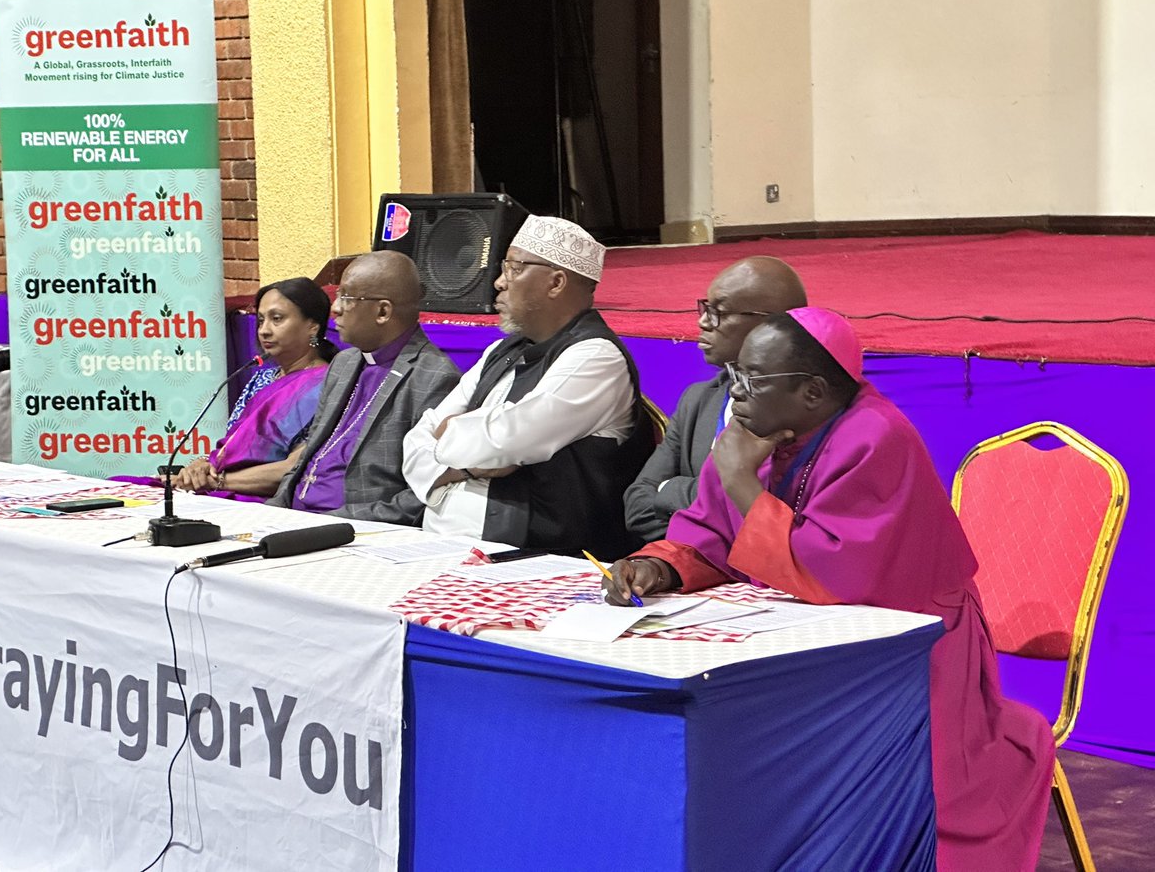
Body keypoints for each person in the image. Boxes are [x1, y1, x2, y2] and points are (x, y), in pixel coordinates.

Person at [604, 308, 1055, 870]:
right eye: (735, 375)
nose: (734, 393)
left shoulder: (876, 436)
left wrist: (741, 478)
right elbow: (711, 533)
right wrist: (661, 567)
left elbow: (828, 573)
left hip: (914, 654)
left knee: (874, 783)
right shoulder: (756, 434)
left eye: (751, 380)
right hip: (807, 632)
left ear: (813, 392)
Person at [401, 215, 655, 558]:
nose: (498, 283)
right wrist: (469, 461)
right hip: (438, 542)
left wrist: (453, 441)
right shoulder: (501, 350)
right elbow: (416, 440)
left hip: (533, 557)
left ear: (556, 283)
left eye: (514, 268)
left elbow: (506, 439)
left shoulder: (596, 358)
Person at [268, 252, 460, 524]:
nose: (335, 308)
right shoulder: (344, 363)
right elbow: (310, 456)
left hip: (354, 530)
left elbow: (423, 492)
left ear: (383, 311)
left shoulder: (434, 377)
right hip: (293, 518)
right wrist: (272, 510)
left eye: (346, 297)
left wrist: (337, 524)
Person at [624, 256, 806, 542]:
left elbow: (784, 515)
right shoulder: (697, 401)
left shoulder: (802, 408)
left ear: (771, 323)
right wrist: (714, 524)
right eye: (705, 308)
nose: (703, 321)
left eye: (718, 312)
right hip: (694, 569)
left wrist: (672, 491)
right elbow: (637, 506)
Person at [125, 277, 334, 500]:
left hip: (268, 499)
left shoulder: (330, 384)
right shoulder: (262, 379)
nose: (264, 330)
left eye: (277, 319)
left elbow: (297, 468)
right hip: (221, 486)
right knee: (124, 488)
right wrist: (202, 466)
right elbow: (233, 448)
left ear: (313, 326)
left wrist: (217, 481)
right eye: (261, 320)